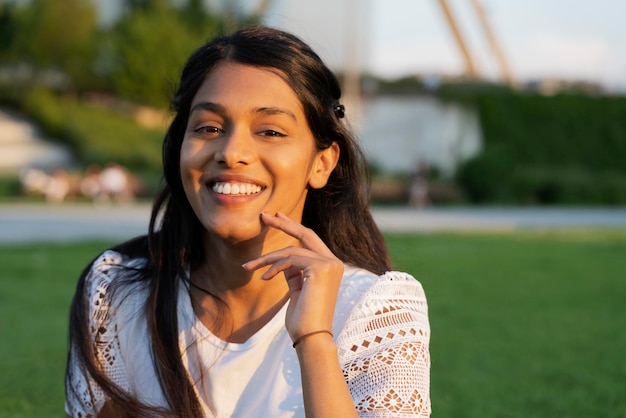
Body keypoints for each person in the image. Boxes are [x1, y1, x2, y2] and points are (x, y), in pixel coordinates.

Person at [65, 25, 431, 417]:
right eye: (208, 128)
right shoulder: (119, 292)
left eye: (270, 131)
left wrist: (315, 339)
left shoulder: (375, 310)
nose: (232, 152)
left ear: (322, 162)